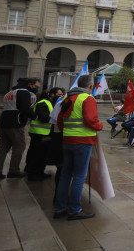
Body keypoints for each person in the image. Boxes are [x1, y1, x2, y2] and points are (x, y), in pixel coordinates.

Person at [54, 75, 104, 220]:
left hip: (67, 140)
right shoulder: (87, 99)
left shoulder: (67, 98)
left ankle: (60, 207)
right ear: (90, 86)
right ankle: (75, 209)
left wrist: (66, 133)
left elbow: (59, 120)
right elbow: (91, 120)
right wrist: (99, 126)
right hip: (82, 141)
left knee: (65, 174)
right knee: (79, 176)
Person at [0, 77, 40, 179]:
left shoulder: (10, 92)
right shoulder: (24, 92)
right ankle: (14, 170)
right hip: (15, 123)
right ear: (30, 84)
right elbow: (24, 108)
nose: (37, 88)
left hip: (4, 122)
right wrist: (35, 116)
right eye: (36, 86)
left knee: (3, 147)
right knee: (20, 146)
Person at [25, 87, 63, 181]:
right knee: (37, 154)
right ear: (52, 94)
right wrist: (55, 119)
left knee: (43, 154)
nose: (61, 96)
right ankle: (33, 173)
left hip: (45, 133)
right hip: (39, 133)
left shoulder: (51, 103)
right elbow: (43, 117)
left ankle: (40, 171)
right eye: (59, 94)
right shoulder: (43, 103)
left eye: (62, 94)